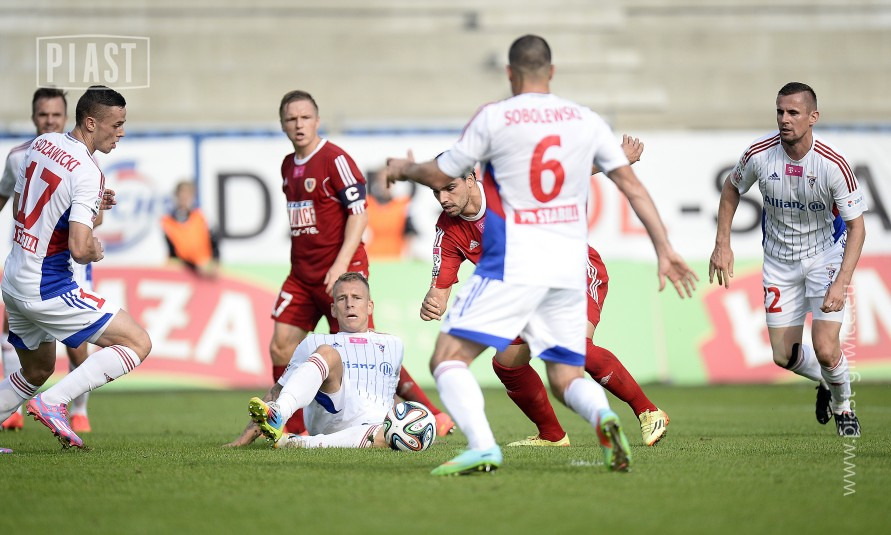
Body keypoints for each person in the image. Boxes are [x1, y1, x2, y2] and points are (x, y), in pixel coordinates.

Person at [387, 35, 697, 475]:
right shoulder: (583, 119)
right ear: (551, 71)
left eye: (449, 188)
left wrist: (404, 169)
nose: (443, 196)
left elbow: (444, 168)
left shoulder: (495, 118)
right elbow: (623, 184)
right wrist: (664, 248)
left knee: (449, 358)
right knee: (534, 366)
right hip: (557, 265)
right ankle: (580, 424)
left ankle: (489, 445)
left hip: (533, 264)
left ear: (509, 74)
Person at [421, 140, 671, 448]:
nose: (443, 199)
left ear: (471, 178)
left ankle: (648, 411)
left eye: (449, 188)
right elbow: (440, 288)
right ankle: (552, 435)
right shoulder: (448, 230)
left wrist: (617, 159)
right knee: (508, 363)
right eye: (436, 192)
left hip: (572, 272)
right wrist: (433, 302)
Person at [270, 90, 453, 437]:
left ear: (317, 121)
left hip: (340, 272)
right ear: (282, 124)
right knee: (280, 344)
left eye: (305, 117)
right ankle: (291, 430)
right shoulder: (287, 166)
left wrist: (340, 265)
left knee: (367, 352)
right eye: (291, 119)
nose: (299, 125)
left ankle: (432, 413)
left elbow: (359, 214)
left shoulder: (336, 160)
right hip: (302, 275)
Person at [709, 82, 866, 437]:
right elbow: (731, 188)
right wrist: (722, 244)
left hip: (824, 256)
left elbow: (858, 227)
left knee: (826, 348)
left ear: (813, 117)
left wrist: (841, 282)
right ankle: (827, 381)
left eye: (793, 112)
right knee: (784, 357)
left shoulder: (833, 164)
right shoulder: (759, 154)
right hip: (779, 262)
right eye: (780, 111)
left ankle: (843, 407)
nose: (784, 119)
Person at [0, 85, 151, 449]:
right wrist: (96, 250)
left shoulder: (41, 145)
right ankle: (54, 402)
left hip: (14, 279)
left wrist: (89, 204)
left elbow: (24, 206)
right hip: (46, 285)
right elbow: (80, 249)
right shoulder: (87, 171)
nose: (121, 132)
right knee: (137, 342)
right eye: (116, 124)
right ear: (90, 123)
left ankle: (48, 397)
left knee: (37, 369)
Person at [0, 88, 95, 434]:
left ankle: (79, 410)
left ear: (66, 117)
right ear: (33, 117)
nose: (50, 121)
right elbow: (4, 197)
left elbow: (92, 220)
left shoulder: (82, 160)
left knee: (77, 345)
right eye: (44, 115)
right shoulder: (18, 156)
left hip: (67, 266)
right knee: (14, 335)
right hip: (27, 263)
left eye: (56, 115)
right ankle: (15, 409)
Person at [226, 272, 403, 449]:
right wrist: (243, 440)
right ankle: (279, 413)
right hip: (332, 420)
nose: (349, 304)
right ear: (333, 309)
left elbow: (387, 392)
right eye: (342, 298)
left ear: (370, 306)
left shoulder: (393, 345)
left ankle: (297, 443)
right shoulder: (314, 342)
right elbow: (279, 390)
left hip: (378, 429)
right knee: (327, 353)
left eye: (356, 298)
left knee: (395, 432)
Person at [160, 180, 219, 277]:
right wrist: (193, 267)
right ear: (176, 196)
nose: (184, 197)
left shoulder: (201, 217)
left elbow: (214, 240)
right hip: (183, 272)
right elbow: (171, 253)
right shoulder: (167, 221)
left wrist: (215, 262)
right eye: (181, 194)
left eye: (188, 194)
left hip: (205, 270)